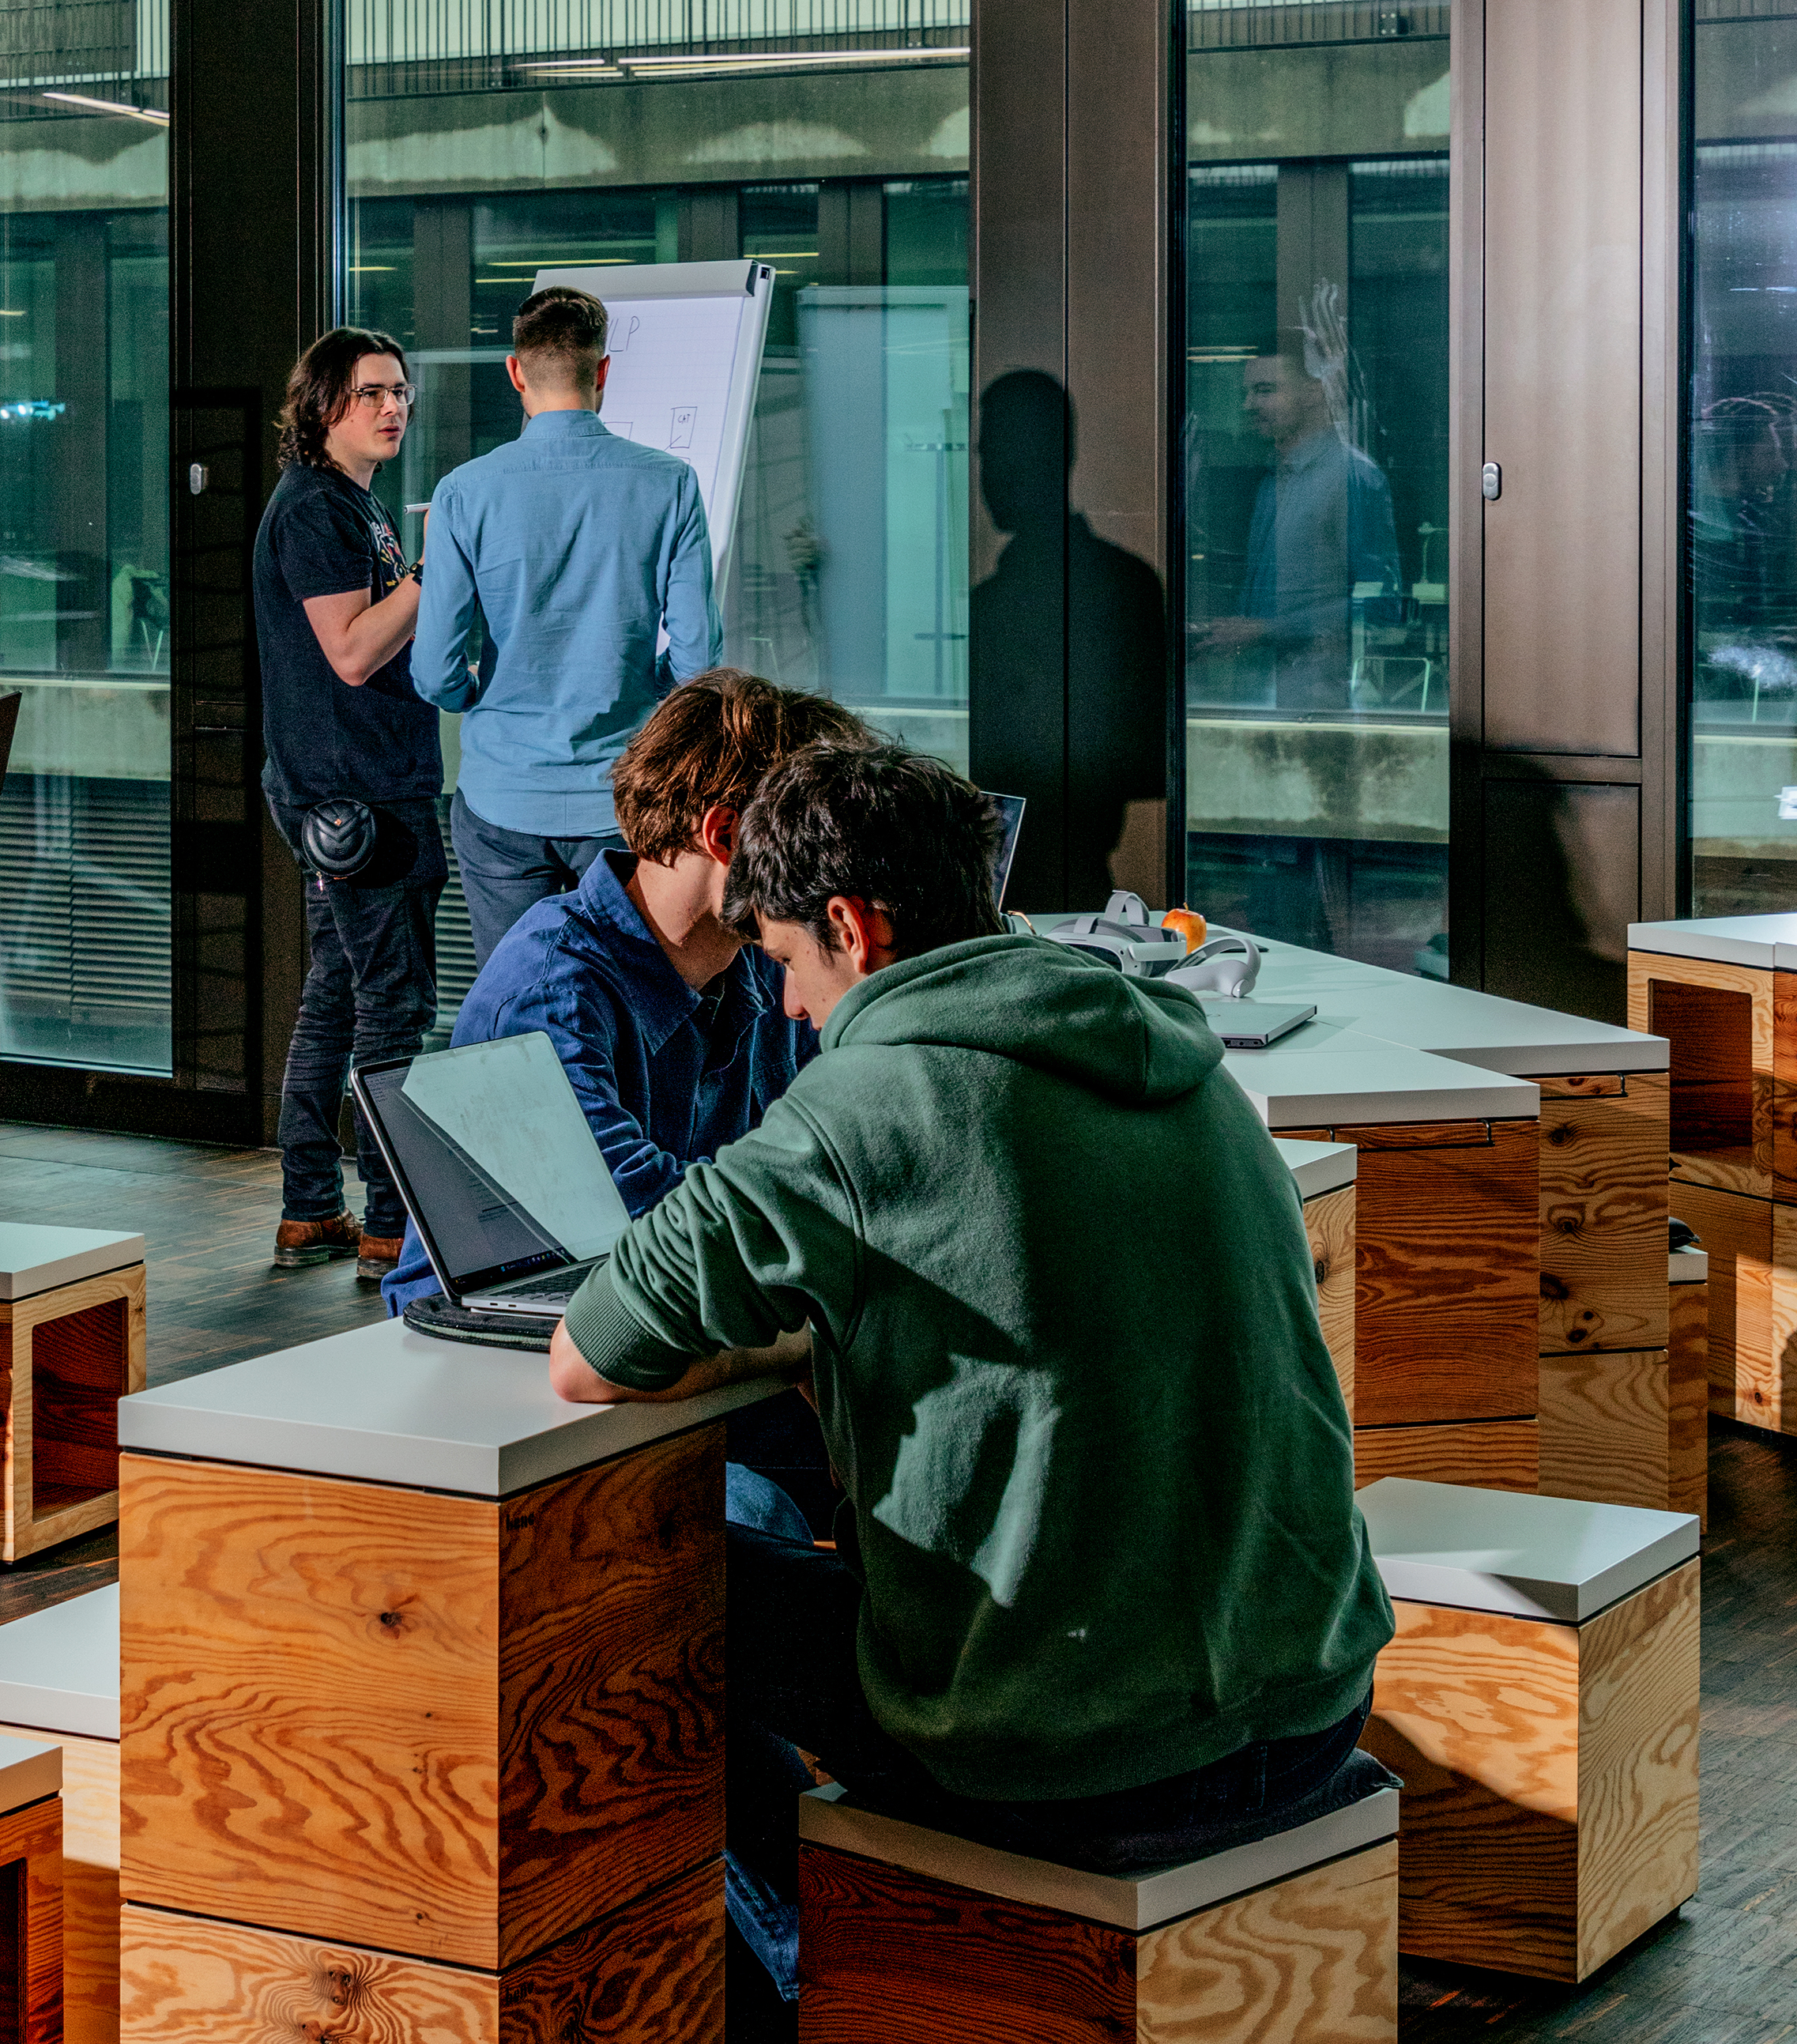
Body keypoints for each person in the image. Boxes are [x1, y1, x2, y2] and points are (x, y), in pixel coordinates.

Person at [545, 742, 1395, 2020]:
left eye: (781, 962)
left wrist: (791, 1316)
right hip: (1312, 1691)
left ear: (851, 926)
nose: (785, 1011)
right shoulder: (1179, 1062)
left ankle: (779, 1978)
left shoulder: (863, 1103)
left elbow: (592, 1344)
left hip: (1076, 1752)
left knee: (649, 1580)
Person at [378, 667, 862, 1315]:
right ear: (723, 837)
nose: (830, 878)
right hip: (506, 1326)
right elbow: (647, 1227)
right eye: (809, 850)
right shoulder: (550, 993)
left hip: (672, 1294)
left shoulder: (761, 960)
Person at [415, 285, 721, 964]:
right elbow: (699, 661)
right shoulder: (668, 482)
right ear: (603, 372)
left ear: (515, 371)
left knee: (515, 1002)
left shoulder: (465, 490)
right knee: (627, 999)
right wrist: (644, 693)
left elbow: (434, 671)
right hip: (621, 801)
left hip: (501, 798)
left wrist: (476, 693)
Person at [254, 327, 444, 1280]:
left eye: (401, 391)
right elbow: (354, 651)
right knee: (391, 1007)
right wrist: (432, 570)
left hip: (359, 788)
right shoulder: (316, 512)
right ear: (324, 404)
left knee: (336, 996)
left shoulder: (349, 507)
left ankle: (308, 1210)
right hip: (361, 800)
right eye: (371, 391)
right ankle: (386, 1225)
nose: (393, 407)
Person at [1192, 333, 1403, 714]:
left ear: (1313, 393)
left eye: (1265, 390)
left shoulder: (1353, 478)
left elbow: (1381, 604)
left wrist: (1265, 630)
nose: (1248, 405)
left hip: (1317, 704)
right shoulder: (1273, 480)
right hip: (1258, 696)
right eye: (1248, 392)